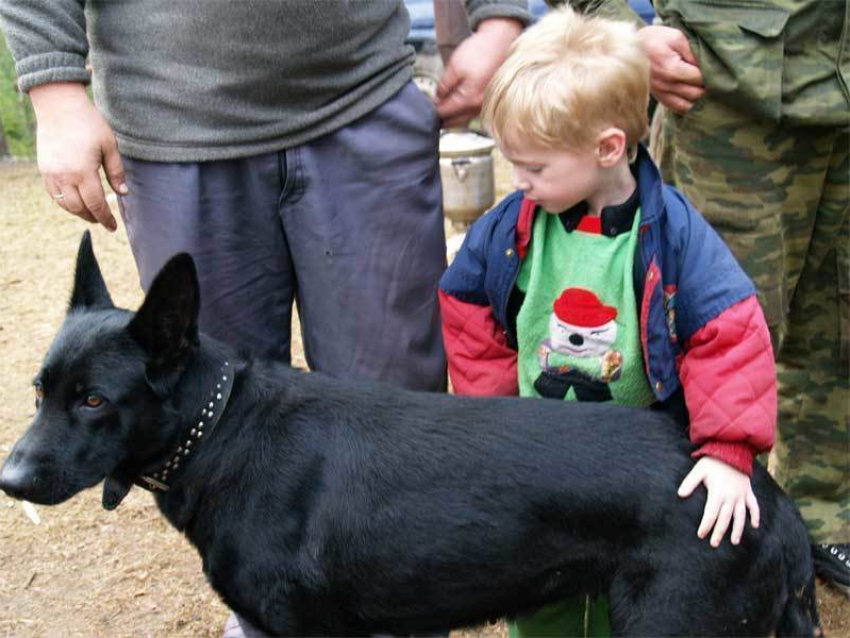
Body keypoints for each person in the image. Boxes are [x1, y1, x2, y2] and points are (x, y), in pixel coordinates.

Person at [0, 1, 530, 636]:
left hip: (362, 98)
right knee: (212, 437)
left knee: (397, 430)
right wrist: (54, 88)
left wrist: (498, 15)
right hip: (174, 126)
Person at [438, 7, 777, 636]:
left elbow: (726, 333)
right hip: (545, 462)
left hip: (642, 476)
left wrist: (730, 451)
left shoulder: (673, 236)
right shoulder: (507, 231)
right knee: (540, 590)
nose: (519, 182)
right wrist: (498, 425)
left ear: (607, 148)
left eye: (535, 167)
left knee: (642, 588)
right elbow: (469, 311)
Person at [631, 0, 850, 595]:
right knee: (712, 337)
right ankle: (677, 536)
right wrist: (619, 29)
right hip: (729, 101)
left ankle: (825, 517)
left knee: (838, 324)